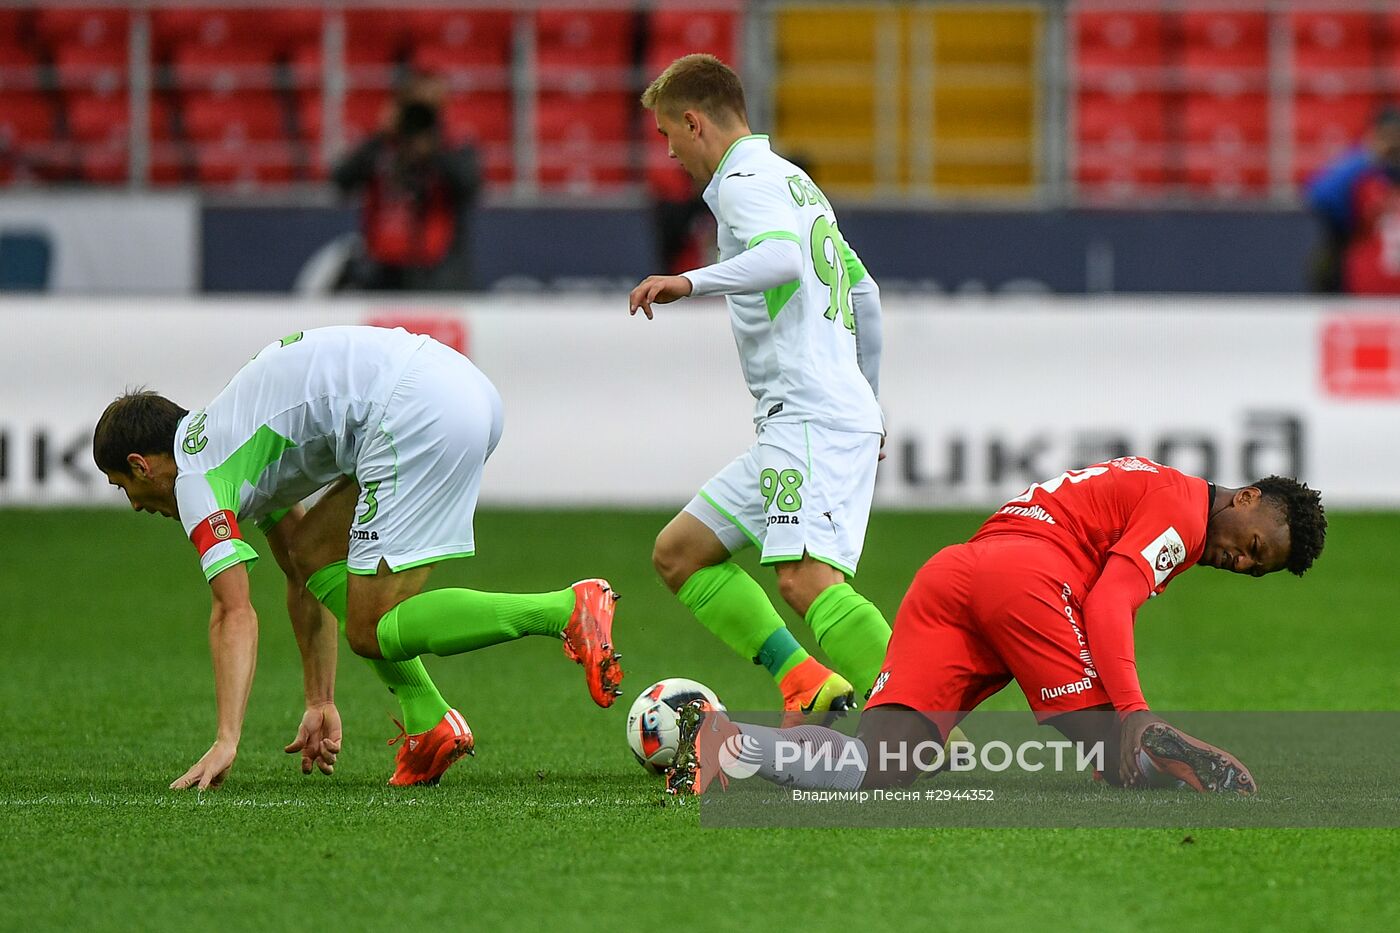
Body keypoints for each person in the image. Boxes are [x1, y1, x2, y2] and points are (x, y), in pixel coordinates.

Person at [93, 325, 624, 791]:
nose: (136, 505)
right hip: (458, 387)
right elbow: (300, 573)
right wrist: (319, 700)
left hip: (414, 411)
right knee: (315, 551)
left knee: (371, 629)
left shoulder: (197, 483)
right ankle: (430, 724)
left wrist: (226, 739)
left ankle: (565, 610)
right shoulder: (232, 438)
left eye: (124, 487)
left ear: (141, 465)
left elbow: (233, 611)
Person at [667, 456, 1327, 796]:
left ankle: (728, 740)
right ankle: (1188, 764)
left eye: (1254, 567)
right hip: (1028, 584)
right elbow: (1106, 603)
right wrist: (1131, 708)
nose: (1240, 560)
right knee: (1117, 752)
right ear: (1245, 498)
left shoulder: (1157, 484)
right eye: (1254, 545)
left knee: (883, 765)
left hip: (956, 573)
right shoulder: (1183, 516)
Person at [627, 54, 890, 720]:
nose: (669, 152)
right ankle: (806, 678)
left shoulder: (745, 183)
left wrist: (688, 281)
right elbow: (866, 295)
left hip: (807, 414)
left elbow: (780, 261)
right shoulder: (795, 182)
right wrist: (871, 401)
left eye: (667, 135)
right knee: (681, 553)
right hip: (813, 415)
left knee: (806, 579)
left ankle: (924, 719)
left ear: (694, 122)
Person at [331, 75, 481, 291]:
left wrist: (435, 149)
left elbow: (470, 187)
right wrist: (379, 137)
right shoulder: (383, 145)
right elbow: (341, 181)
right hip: (383, 269)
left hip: (438, 272)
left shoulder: (454, 143)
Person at [1306, 104, 1400, 294]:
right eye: (1386, 136)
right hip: (1362, 280)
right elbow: (1319, 194)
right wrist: (1369, 155)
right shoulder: (1363, 177)